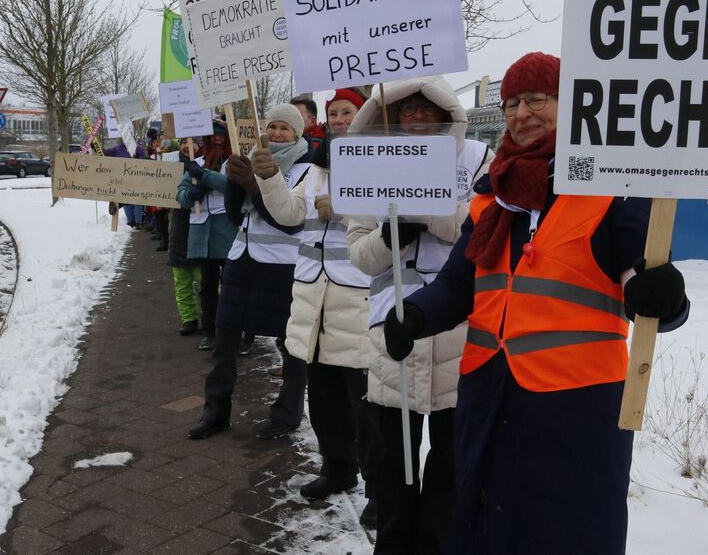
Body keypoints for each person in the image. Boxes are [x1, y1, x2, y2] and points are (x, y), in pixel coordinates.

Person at [382, 52, 690, 555]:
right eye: (510, 103)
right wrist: (415, 315)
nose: (520, 113)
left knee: (563, 531)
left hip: (574, 409)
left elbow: (648, 286)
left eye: (536, 99)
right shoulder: (494, 197)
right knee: (483, 524)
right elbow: (461, 283)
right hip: (488, 396)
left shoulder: (612, 188)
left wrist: (662, 296)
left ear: (572, 104)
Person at [345, 76, 493, 553]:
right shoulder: (363, 164)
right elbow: (360, 256)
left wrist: (421, 208)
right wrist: (392, 234)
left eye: (425, 109)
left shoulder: (477, 159)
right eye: (404, 110)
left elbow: (482, 230)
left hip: (460, 335)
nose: (415, 119)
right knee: (390, 469)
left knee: (450, 470)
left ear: (444, 111)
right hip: (392, 334)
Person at [254, 95, 378, 523]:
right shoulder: (318, 166)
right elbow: (290, 215)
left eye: (348, 112)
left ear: (365, 116)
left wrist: (347, 208)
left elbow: (399, 218)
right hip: (314, 297)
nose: (340, 119)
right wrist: (269, 179)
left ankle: (379, 490)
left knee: (365, 403)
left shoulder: (385, 160)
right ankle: (338, 469)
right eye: (334, 114)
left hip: (357, 297)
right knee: (324, 399)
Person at [189, 104, 313, 441]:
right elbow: (234, 214)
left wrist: (254, 187)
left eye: (284, 128)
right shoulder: (255, 157)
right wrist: (235, 182)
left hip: (282, 265)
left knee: (291, 346)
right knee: (224, 339)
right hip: (242, 259)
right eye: (271, 126)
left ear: (297, 133)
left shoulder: (306, 169)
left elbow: (288, 223)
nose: (275, 134)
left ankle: (286, 414)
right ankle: (215, 411)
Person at [179, 121, 237, 350]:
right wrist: (190, 193)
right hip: (203, 233)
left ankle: (233, 329)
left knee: (232, 284)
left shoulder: (235, 161)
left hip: (228, 229)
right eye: (213, 136)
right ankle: (210, 330)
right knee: (207, 286)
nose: (218, 140)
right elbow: (181, 195)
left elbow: (232, 187)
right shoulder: (197, 163)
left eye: (222, 136)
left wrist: (205, 177)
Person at [169, 136, 204, 336]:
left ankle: (212, 317)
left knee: (205, 280)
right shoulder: (170, 168)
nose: (186, 146)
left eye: (192, 143)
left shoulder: (210, 165)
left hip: (200, 230)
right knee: (181, 280)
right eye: (183, 142)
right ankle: (188, 319)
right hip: (180, 229)